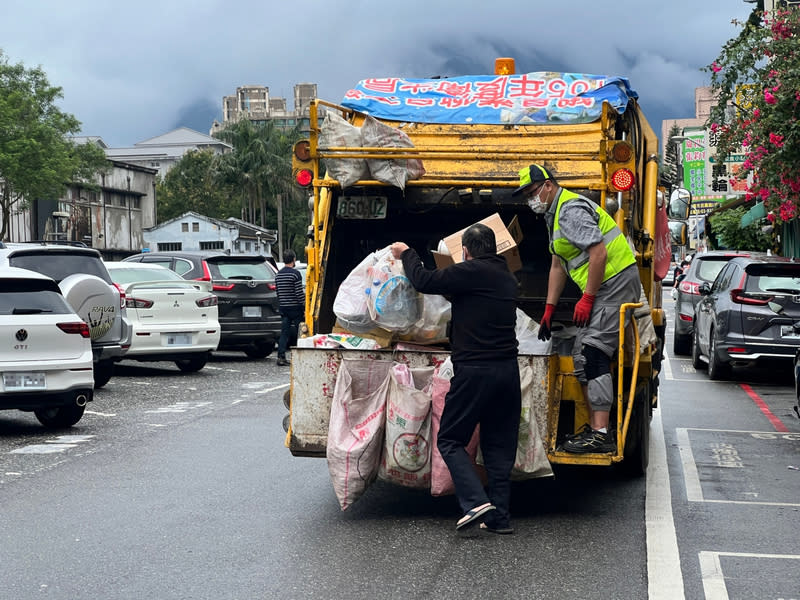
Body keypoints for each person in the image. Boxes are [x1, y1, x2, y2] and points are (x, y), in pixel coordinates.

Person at [390, 224, 521, 534]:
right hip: (507, 372)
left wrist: (406, 252)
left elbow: (422, 280)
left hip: (475, 372)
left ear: (466, 252)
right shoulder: (506, 278)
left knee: (450, 439)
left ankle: (475, 502)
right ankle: (499, 518)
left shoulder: (470, 272)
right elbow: (464, 294)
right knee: (498, 448)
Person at [512, 163, 639, 453]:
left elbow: (599, 253)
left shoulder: (569, 210)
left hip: (614, 283)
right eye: (526, 195)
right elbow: (558, 265)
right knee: (582, 356)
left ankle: (602, 434)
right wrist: (549, 308)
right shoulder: (553, 215)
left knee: (594, 351)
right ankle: (595, 427)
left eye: (532, 192)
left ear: (547, 185)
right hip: (605, 286)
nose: (531, 199)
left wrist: (588, 298)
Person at [275, 250, 305, 367]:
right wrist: (304, 304)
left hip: (284, 307)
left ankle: (281, 356)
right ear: (293, 259)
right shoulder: (295, 274)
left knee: (284, 333)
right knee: (300, 332)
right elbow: (298, 293)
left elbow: (278, 292)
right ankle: (301, 356)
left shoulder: (278, 274)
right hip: (295, 308)